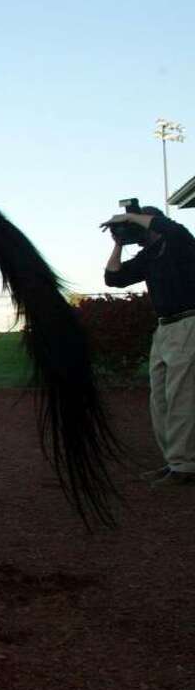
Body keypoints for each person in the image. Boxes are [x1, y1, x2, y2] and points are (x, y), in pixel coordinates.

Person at [103, 205, 195, 487]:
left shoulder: (178, 240)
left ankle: (185, 465)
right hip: (164, 328)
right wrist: (119, 242)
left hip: (188, 323)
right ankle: (175, 461)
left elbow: (167, 225)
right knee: (161, 399)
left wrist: (130, 217)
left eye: (135, 226)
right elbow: (113, 278)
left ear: (148, 224)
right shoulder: (148, 256)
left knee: (182, 398)